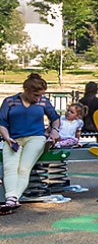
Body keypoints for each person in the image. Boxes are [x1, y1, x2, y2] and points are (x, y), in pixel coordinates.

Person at [0, 74, 61, 214]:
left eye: (41, 95)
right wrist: (7, 138)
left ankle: (11, 199)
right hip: (14, 139)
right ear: (26, 89)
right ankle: (12, 199)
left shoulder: (43, 102)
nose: (38, 98)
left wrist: (55, 131)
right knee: (10, 167)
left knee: (24, 168)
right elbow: (2, 122)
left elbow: (55, 118)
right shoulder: (10, 101)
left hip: (36, 138)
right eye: (35, 95)